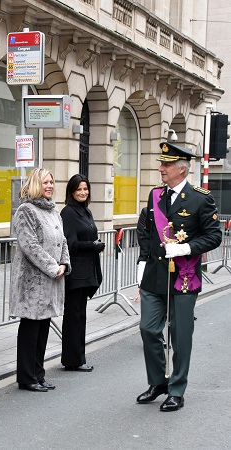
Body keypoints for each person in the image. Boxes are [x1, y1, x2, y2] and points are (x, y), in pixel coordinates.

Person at [136, 142, 222, 412]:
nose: (160, 168)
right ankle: (157, 382)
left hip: (183, 278)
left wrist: (186, 247)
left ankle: (176, 389)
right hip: (154, 276)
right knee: (148, 329)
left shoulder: (200, 197)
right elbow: (145, 229)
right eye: (161, 163)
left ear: (181, 169)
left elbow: (214, 235)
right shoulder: (155, 195)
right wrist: (142, 260)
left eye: (166, 164)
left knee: (181, 335)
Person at [10, 168, 71, 392]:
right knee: (31, 327)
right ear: (36, 184)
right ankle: (26, 377)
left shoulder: (54, 211)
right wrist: (52, 266)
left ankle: (38, 373)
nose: (49, 185)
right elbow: (29, 245)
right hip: (32, 282)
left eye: (52, 182)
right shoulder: (26, 210)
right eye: (45, 182)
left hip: (51, 278)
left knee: (43, 327)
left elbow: (62, 241)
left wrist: (64, 263)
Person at [60, 174, 104, 372]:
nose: (83, 192)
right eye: (79, 189)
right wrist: (93, 246)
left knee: (80, 316)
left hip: (86, 272)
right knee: (73, 318)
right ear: (71, 191)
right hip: (75, 274)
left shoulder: (85, 211)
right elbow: (70, 244)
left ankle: (77, 358)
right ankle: (73, 360)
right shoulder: (68, 212)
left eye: (85, 189)